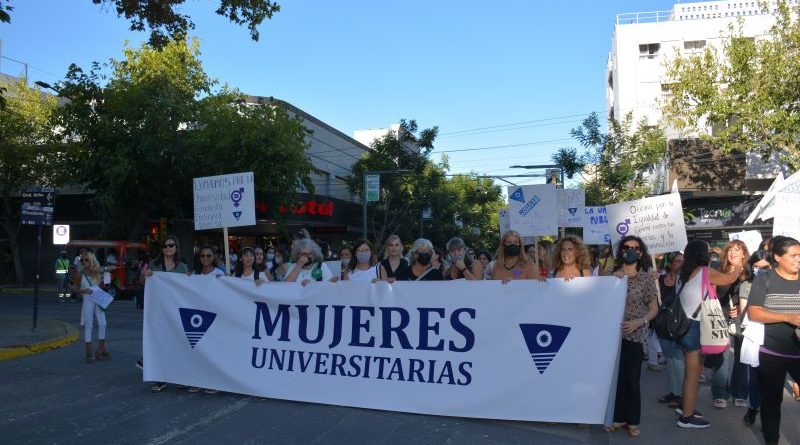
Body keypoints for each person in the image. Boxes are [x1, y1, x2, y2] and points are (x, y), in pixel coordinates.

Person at [674, 239, 741, 428]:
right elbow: (728, 279)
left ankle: (685, 407)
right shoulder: (704, 271)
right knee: (693, 374)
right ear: (703, 255)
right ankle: (686, 417)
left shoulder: (683, 273)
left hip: (685, 325)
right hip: (693, 326)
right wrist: (737, 268)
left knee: (691, 372)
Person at [746, 236, 800, 445]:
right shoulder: (765, 279)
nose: (798, 259)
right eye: (793, 255)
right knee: (771, 400)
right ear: (777, 257)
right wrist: (787, 317)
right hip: (771, 353)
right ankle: (771, 440)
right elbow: (754, 313)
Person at [605, 236, 658, 437]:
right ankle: (617, 417)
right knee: (615, 379)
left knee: (632, 379)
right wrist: (613, 281)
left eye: (635, 248)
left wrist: (639, 321)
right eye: (627, 247)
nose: (630, 250)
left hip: (635, 336)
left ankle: (632, 420)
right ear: (621, 251)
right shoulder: (611, 275)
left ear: (640, 253)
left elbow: (654, 308)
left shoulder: (646, 278)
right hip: (612, 336)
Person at [140, 235, 188, 392]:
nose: (168, 248)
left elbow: (187, 288)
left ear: (176, 247)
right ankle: (160, 378)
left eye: (171, 245)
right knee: (159, 344)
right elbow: (142, 282)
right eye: (165, 246)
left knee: (177, 344)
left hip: (175, 311)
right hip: (157, 311)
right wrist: (145, 275)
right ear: (162, 249)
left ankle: (180, 377)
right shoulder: (154, 265)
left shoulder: (182, 267)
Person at [710, 240, 749, 409]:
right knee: (722, 358)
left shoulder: (750, 273)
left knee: (742, 358)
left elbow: (756, 296)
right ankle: (720, 393)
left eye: (737, 250)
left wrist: (741, 308)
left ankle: (740, 393)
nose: (733, 253)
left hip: (743, 319)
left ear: (744, 254)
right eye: (730, 250)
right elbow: (713, 294)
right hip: (721, 318)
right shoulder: (719, 270)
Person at [739, 249, 771, 426]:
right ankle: (753, 407)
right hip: (755, 334)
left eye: (765, 267)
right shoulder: (747, 285)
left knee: (772, 377)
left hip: (776, 335)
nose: (760, 270)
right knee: (756, 375)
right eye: (757, 267)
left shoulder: (782, 284)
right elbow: (745, 313)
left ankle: (769, 413)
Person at [656, 252, 686, 409]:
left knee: (678, 360)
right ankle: (674, 392)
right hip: (662, 324)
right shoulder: (659, 279)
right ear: (670, 263)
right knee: (669, 359)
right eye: (677, 261)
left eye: (682, 261)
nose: (680, 264)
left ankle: (682, 395)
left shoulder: (685, 280)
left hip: (678, 324)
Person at [73, 251, 110, 364]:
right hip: (87, 298)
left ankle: (101, 350)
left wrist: (104, 284)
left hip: (98, 298)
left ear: (92, 260)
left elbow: (102, 284)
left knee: (103, 323)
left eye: (86, 260)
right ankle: (89, 353)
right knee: (89, 325)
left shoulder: (97, 272)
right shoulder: (80, 273)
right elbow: (75, 289)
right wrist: (84, 291)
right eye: (82, 260)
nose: (84, 262)